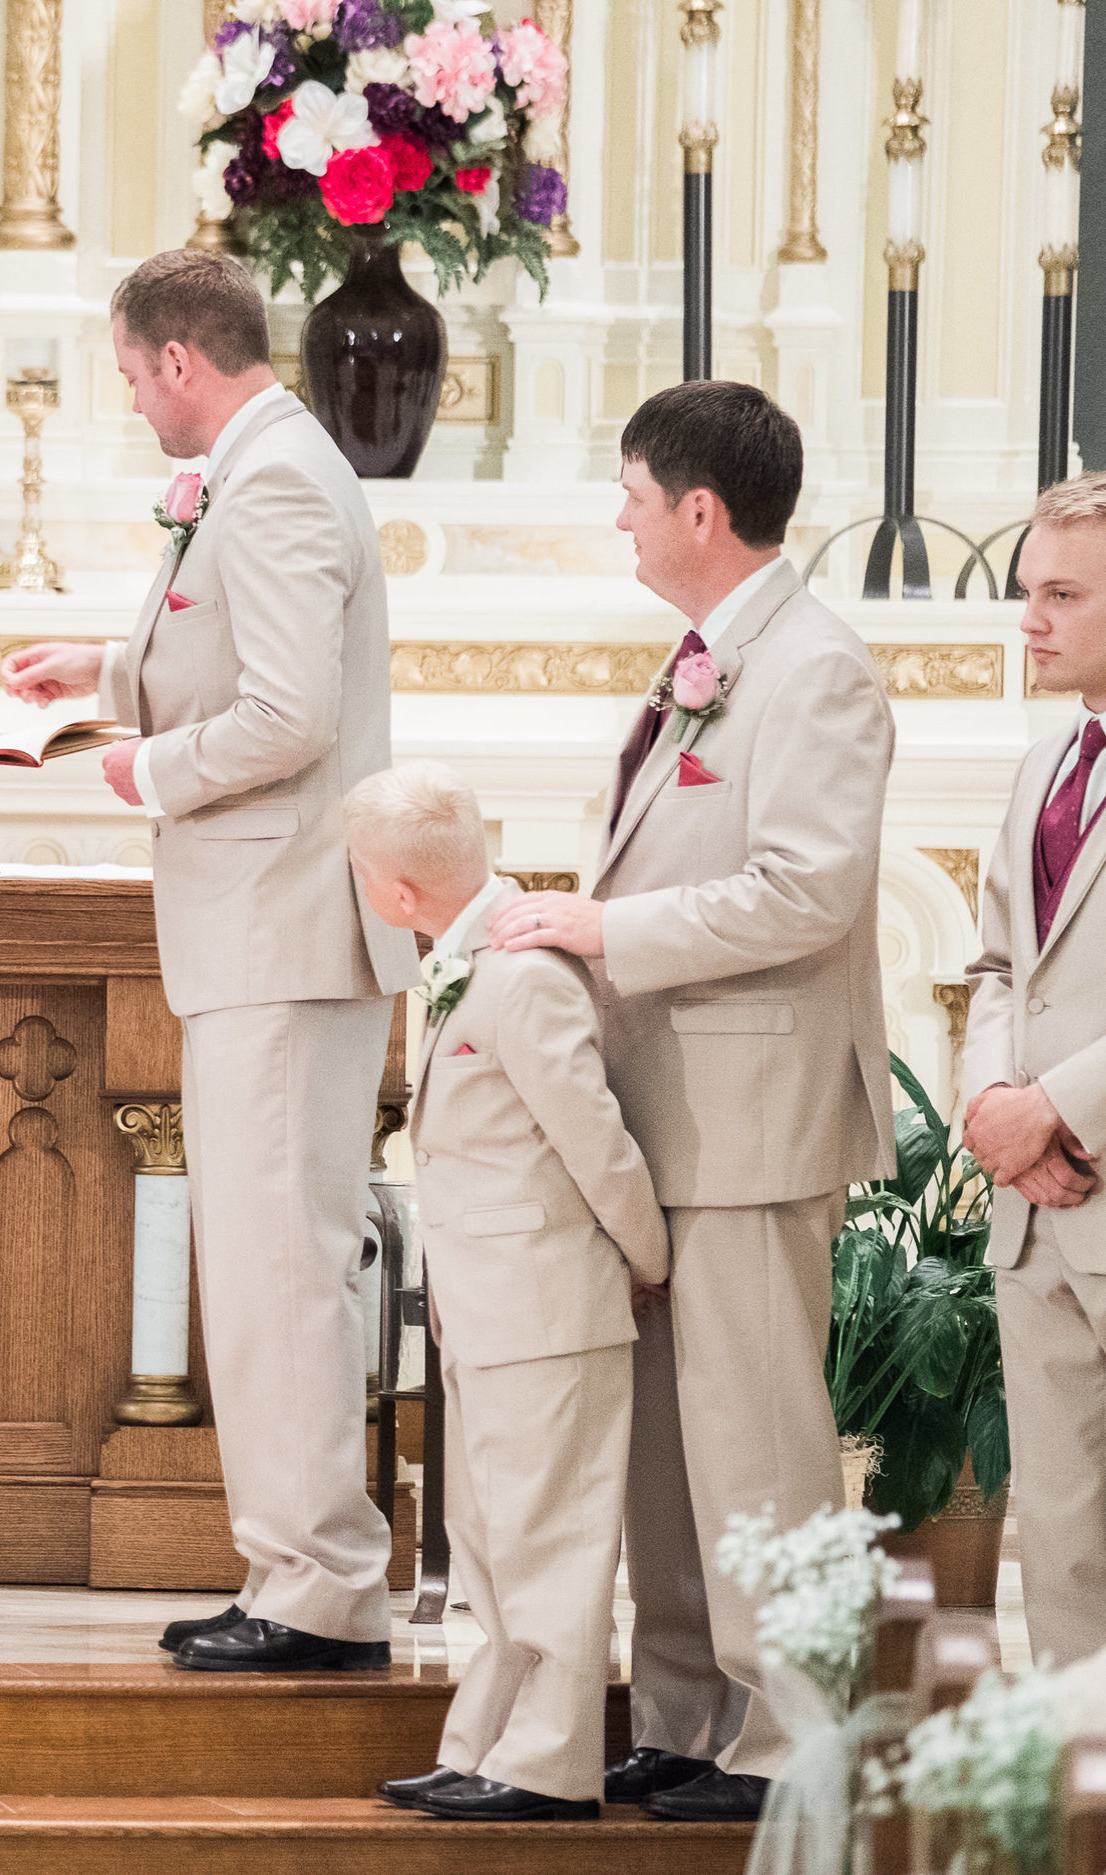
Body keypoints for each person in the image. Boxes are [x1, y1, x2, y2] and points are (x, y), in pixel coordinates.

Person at [1, 249, 416, 1672]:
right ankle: (293, 1568)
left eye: (128, 374)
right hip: (259, 930)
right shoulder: (258, 469)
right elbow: (230, 648)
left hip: (288, 932)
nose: (131, 401)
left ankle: (320, 1583)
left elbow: (290, 713)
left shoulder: (283, 475)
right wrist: (100, 674)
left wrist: (142, 771)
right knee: (257, 1260)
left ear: (181, 360)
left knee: (281, 1264)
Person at [488, 379, 894, 1822]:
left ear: (702, 511)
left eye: (636, 493)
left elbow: (808, 885)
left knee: (754, 1430)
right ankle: (683, 1710)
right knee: (665, 1437)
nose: (622, 515)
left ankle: (797, 1732)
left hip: (752, 1109)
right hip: (669, 1101)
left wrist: (600, 933)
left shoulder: (815, 667)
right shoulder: (710, 656)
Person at [347, 762, 667, 1822]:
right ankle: (484, 1741)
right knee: (488, 1539)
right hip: (485, 1300)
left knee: (549, 1541)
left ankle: (547, 1763)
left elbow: (594, 1136)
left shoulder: (520, 975)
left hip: (546, 1300)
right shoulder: (457, 960)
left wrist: (643, 1258)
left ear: (395, 893)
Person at [962, 470, 1106, 1665]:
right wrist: (992, 1106)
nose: (1031, 621)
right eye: (1028, 592)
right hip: (1038, 1208)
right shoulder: (1045, 764)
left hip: (1087, 1157)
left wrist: (1057, 1106)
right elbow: (999, 962)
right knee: (1058, 1538)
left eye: (1063, 593)